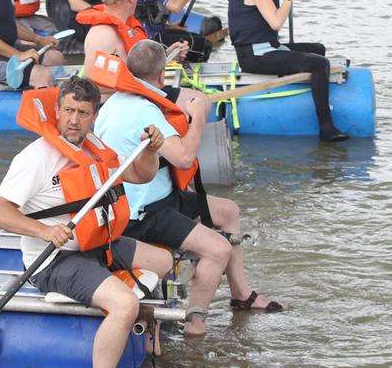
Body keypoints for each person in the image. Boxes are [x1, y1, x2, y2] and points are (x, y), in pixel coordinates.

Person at [0, 75, 172, 368]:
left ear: (94, 116)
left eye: (82, 113)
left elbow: (142, 175)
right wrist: (44, 230)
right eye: (68, 111)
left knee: (163, 261)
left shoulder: (95, 148)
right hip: (55, 261)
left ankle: (143, 331)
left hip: (97, 245)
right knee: (124, 303)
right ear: (57, 110)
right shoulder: (36, 158)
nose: (74, 120)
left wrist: (152, 150)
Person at [92, 41, 282, 337]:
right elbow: (183, 156)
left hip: (161, 197)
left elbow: (184, 98)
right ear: (162, 74)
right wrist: (199, 120)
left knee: (228, 211)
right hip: (142, 214)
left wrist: (194, 103)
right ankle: (195, 322)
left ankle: (241, 294)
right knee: (217, 249)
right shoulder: (143, 110)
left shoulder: (118, 98)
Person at [228, 0, 349, 142]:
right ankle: (327, 128)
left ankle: (300, 83)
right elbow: (276, 22)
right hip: (255, 56)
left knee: (318, 49)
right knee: (319, 63)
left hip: (267, 47)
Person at [77, 0, 189, 87]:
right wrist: (139, 86)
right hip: (118, 101)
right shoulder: (103, 35)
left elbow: (142, 68)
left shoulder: (127, 26)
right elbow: (92, 85)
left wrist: (168, 54)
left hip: (137, 93)